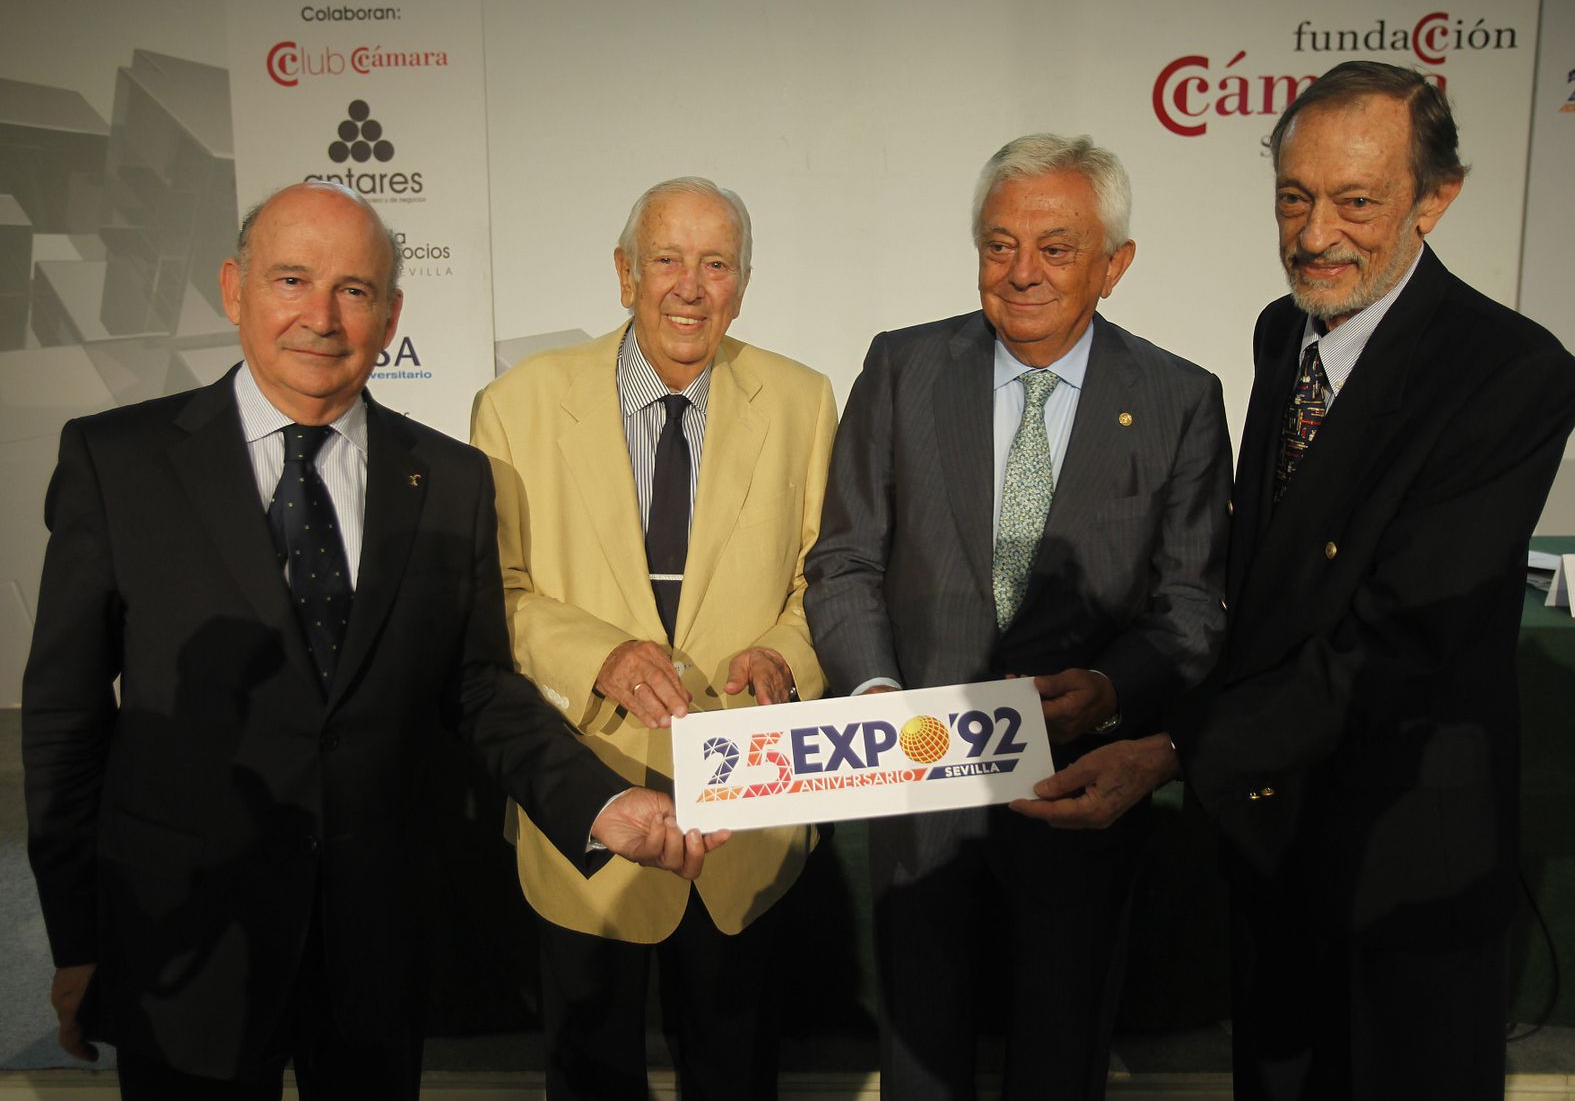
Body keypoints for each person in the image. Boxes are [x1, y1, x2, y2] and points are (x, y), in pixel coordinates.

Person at [21, 181, 721, 1101]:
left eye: (353, 290)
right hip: (182, 944)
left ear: (392, 314)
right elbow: (66, 721)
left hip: (376, 947)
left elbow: (476, 688)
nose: (320, 316)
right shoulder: (118, 463)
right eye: (290, 280)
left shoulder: (453, 478)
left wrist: (598, 804)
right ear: (234, 289)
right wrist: (77, 941)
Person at [1015, 62, 1575, 1098]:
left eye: (1356, 201)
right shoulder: (1285, 333)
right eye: (1293, 196)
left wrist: (1176, 747)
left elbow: (1398, 642)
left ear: (1435, 198)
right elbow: (1268, 587)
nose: (1315, 232)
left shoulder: (1514, 375)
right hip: (1271, 846)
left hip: (1403, 867)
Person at [804, 134, 1231, 1099]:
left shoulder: (1178, 399)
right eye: (999, 245)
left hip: (1077, 793)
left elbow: (1193, 603)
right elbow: (844, 561)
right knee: (919, 1070)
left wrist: (1118, 687)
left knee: (1059, 1064)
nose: (1022, 272)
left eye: (1056, 247)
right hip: (920, 789)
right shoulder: (904, 368)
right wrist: (877, 703)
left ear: (1113, 266)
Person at [470, 176, 836, 1100]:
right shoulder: (518, 403)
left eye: (716, 264)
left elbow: (826, 580)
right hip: (586, 805)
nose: (690, 286)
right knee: (590, 1078)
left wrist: (784, 659)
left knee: (737, 1074)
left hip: (745, 819)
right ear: (625, 273)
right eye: (667, 260)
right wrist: (598, 655)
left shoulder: (803, 400)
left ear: (743, 284)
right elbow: (497, 593)